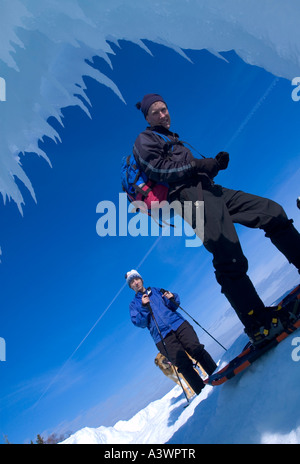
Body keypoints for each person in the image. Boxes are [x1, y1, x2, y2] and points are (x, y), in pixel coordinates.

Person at [133, 93, 300, 346]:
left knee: (271, 211)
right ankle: (257, 323)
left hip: (211, 189)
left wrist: (214, 165)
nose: (162, 114)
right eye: (155, 112)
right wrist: (201, 165)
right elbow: (157, 169)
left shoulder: (171, 138)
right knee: (227, 250)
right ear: (146, 116)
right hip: (189, 197)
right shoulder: (145, 139)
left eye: (164, 109)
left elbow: (186, 166)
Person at [126, 269, 217, 395]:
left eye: (137, 279)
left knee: (196, 349)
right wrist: (143, 306)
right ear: (130, 287)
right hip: (162, 337)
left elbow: (173, 304)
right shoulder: (134, 304)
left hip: (178, 323)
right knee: (183, 364)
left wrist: (172, 297)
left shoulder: (156, 290)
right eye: (132, 282)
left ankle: (217, 374)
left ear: (141, 280)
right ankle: (203, 393)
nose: (135, 282)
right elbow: (139, 322)